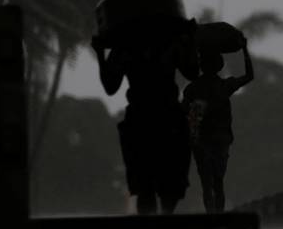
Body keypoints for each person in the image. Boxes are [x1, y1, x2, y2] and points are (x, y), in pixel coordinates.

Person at [92, 18, 199, 215]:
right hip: (159, 120)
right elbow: (193, 71)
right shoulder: (166, 43)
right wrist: (189, 41)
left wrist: (100, 53)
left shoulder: (126, 48)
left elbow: (109, 86)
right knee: (154, 186)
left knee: (152, 186)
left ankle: (156, 225)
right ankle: (160, 224)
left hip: (149, 121)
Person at [182, 38, 254, 213]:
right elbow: (249, 75)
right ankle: (219, 219)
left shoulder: (192, 89)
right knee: (218, 183)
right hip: (220, 141)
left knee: (207, 184)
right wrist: (244, 50)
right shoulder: (225, 85)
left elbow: (183, 114)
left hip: (201, 142)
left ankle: (212, 218)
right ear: (219, 65)